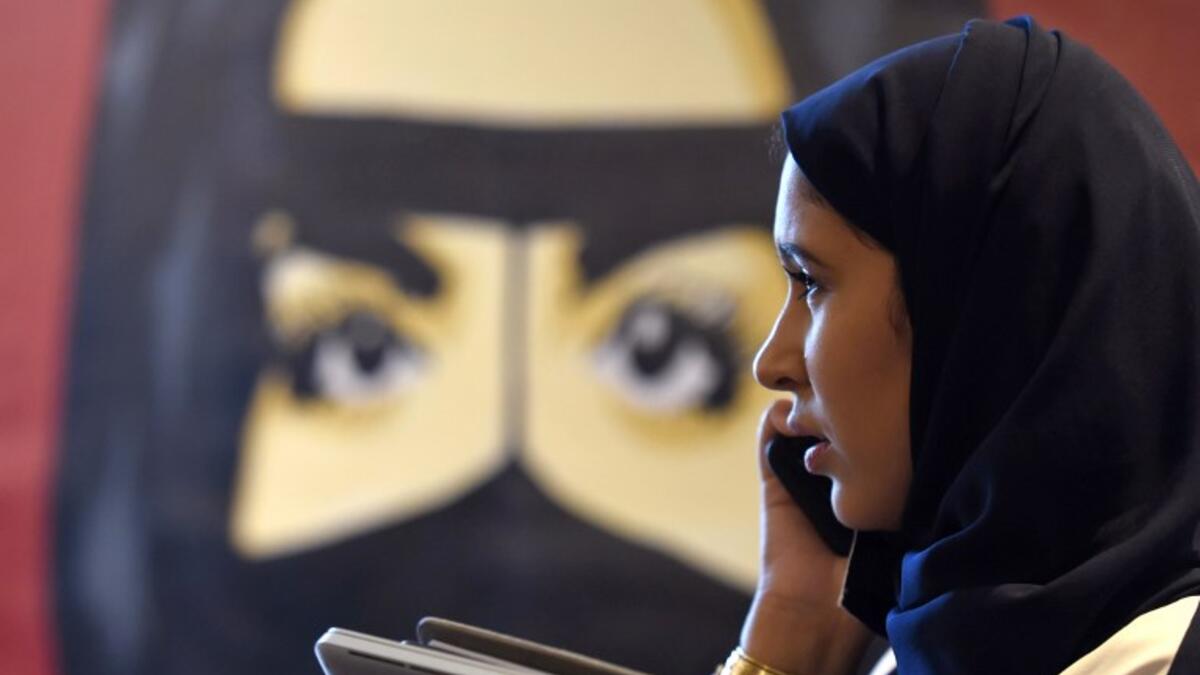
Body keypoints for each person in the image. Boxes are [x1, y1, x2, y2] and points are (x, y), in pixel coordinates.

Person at [718, 16, 1200, 675]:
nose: (771, 362)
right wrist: (794, 626)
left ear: (989, 305)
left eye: (810, 282)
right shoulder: (932, 645)